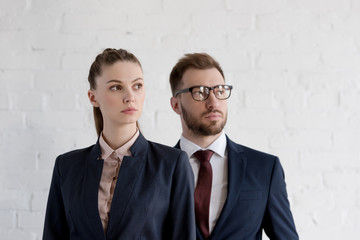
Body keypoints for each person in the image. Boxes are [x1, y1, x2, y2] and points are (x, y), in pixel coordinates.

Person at [43, 48, 196, 240]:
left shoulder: (172, 164)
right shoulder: (66, 167)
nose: (130, 96)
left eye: (137, 86)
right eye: (116, 87)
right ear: (93, 97)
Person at [169, 53, 299, 240]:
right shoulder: (157, 169)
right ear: (176, 105)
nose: (213, 102)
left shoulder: (265, 168)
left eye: (220, 91)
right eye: (199, 92)